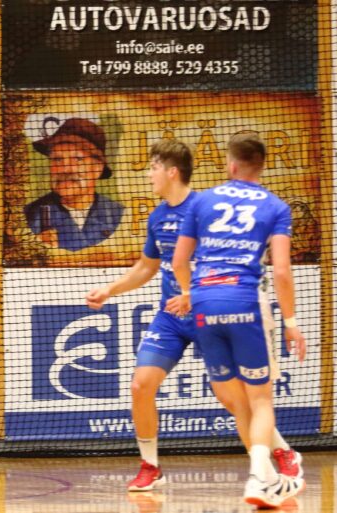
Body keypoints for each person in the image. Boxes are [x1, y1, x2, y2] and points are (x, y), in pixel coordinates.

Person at [85, 139, 302, 492]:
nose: (149, 175)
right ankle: (150, 466)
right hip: (171, 317)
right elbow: (147, 267)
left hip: (207, 312)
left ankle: (278, 455)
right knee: (141, 385)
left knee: (234, 400)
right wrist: (110, 290)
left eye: (154, 167)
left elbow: (220, 265)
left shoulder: (207, 208)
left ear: (172, 171)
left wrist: (192, 295)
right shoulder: (157, 216)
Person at [165, 133, 305, 507]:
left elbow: (179, 261)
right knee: (260, 400)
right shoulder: (276, 207)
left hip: (204, 301)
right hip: (245, 300)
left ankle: (268, 477)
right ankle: (261, 475)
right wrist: (291, 322)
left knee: (236, 401)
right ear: (262, 165)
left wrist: (189, 293)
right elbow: (281, 271)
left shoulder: (202, 201)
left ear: (230, 164)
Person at [25, 117, 124, 252]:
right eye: (57, 159)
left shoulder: (119, 215)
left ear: (97, 169)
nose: (65, 169)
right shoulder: (29, 217)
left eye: (78, 159)